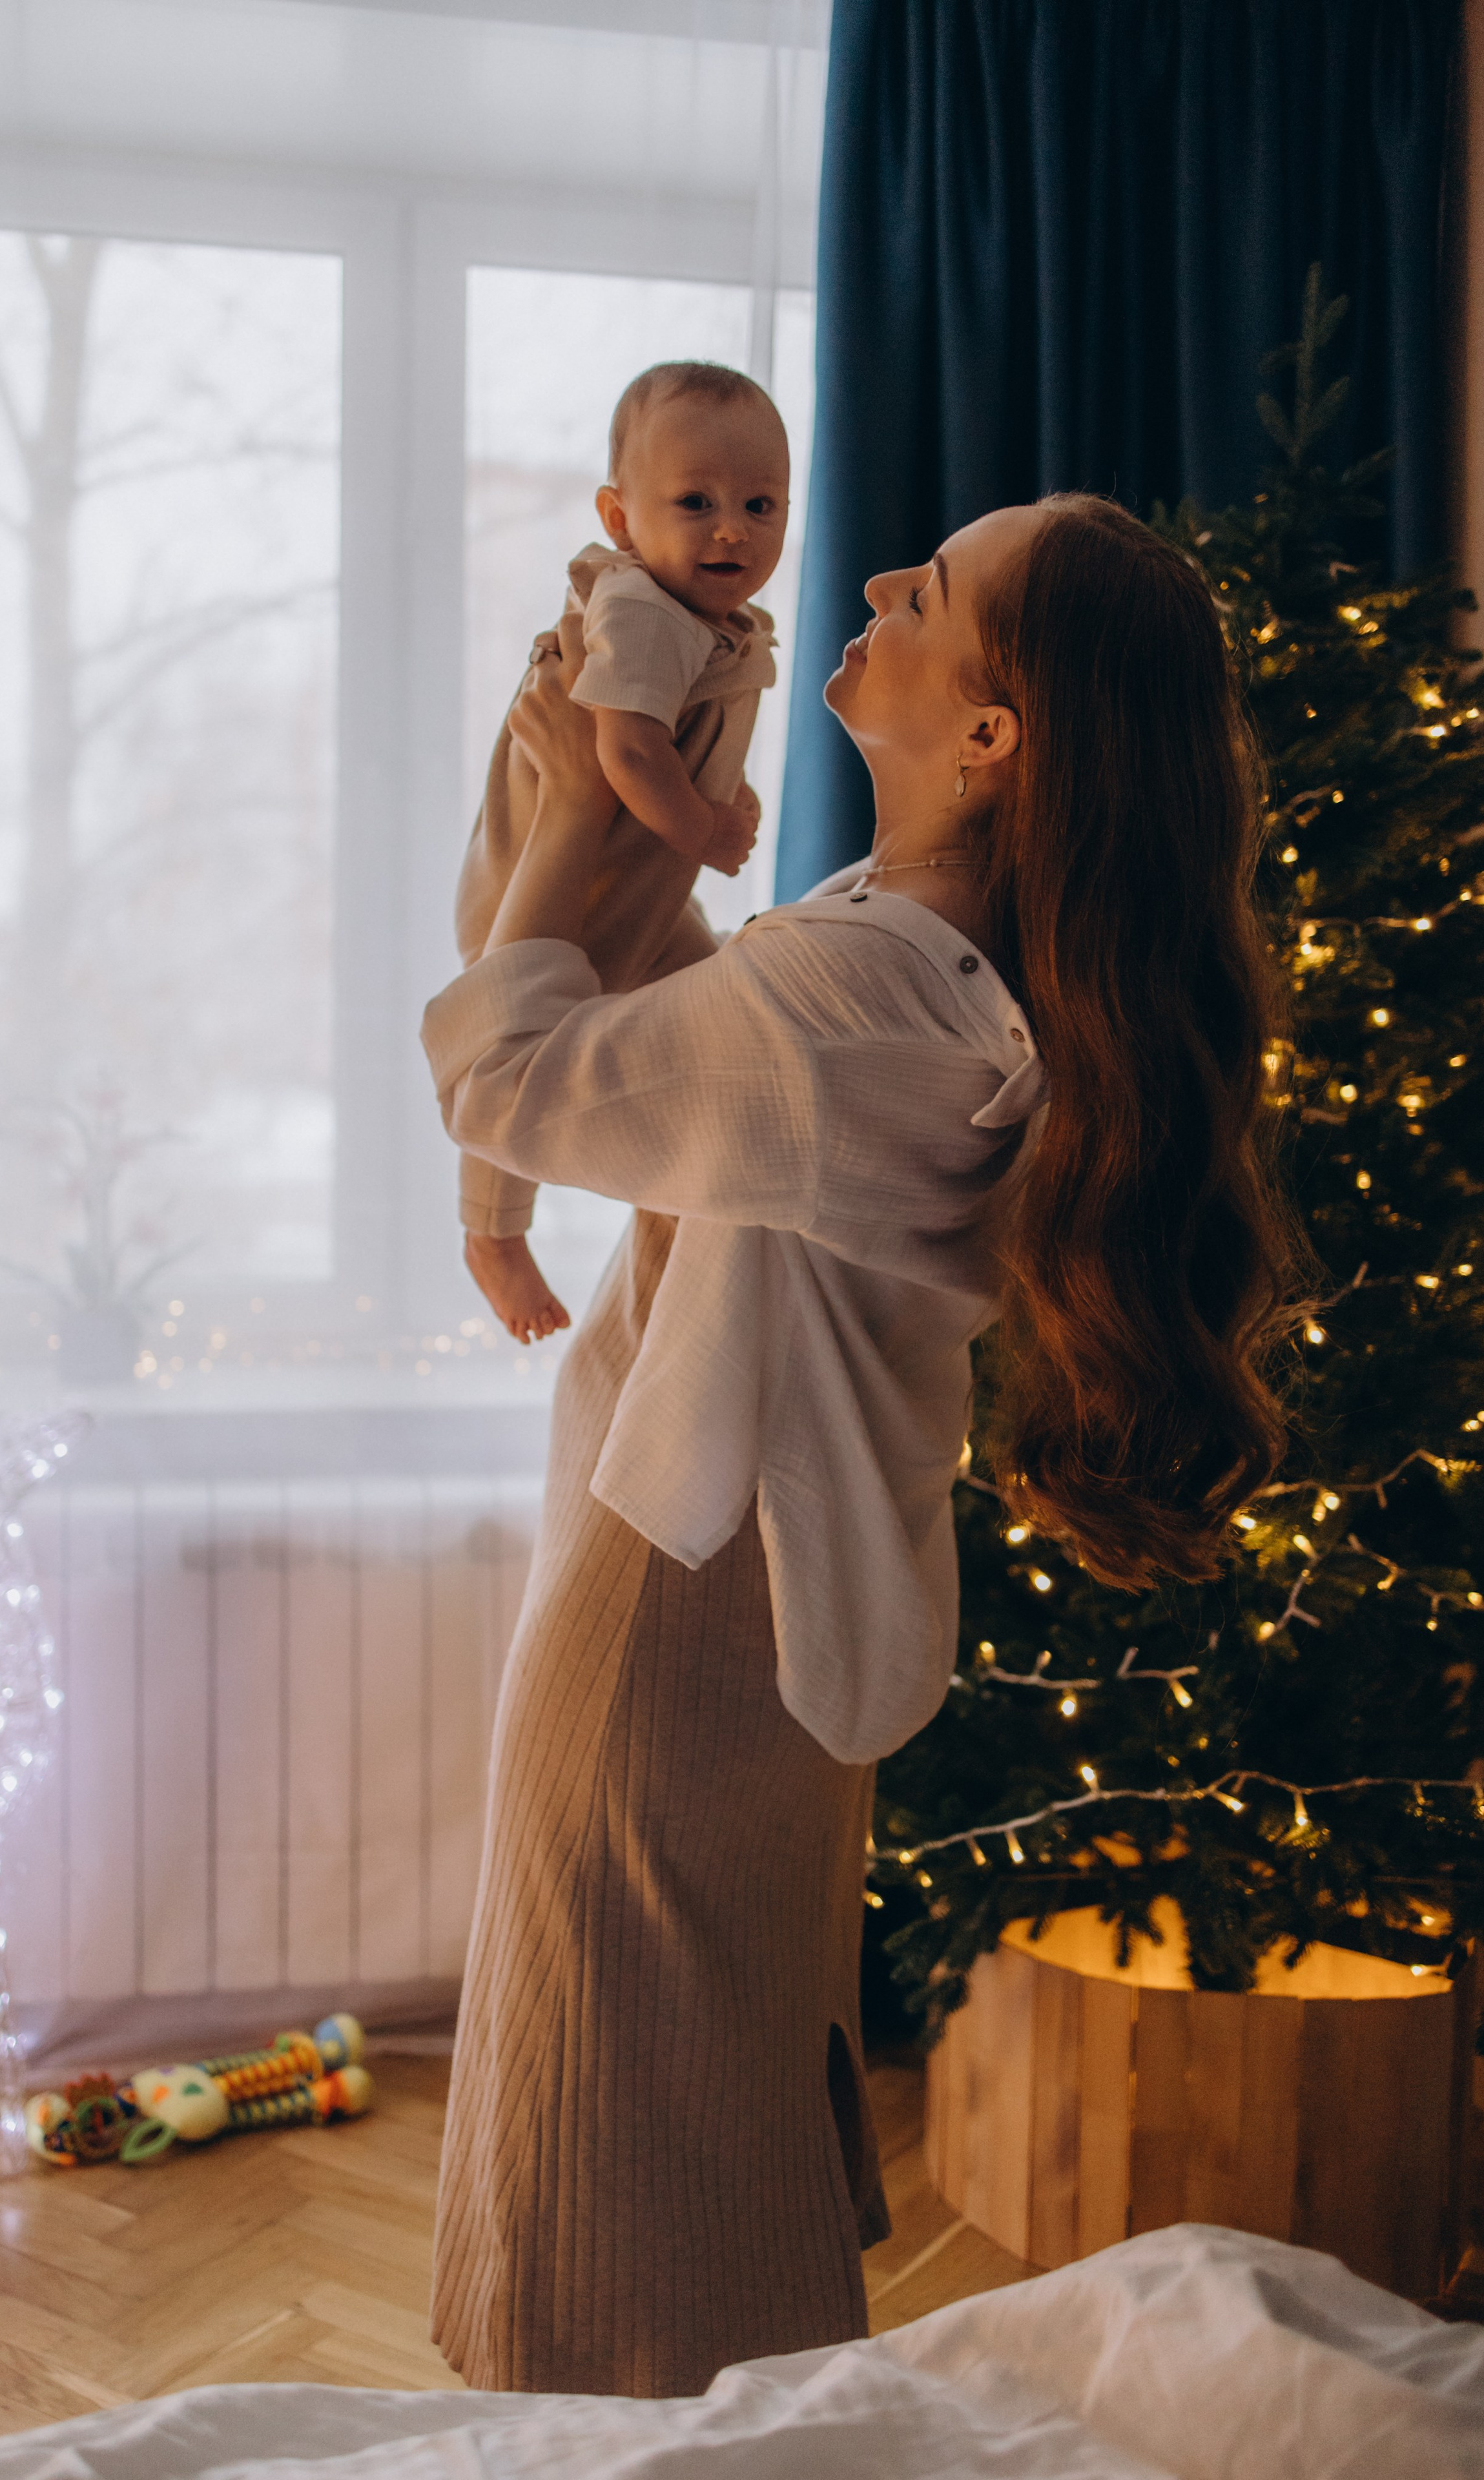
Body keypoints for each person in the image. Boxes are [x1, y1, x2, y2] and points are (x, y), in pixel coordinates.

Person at [420, 493, 1295, 2399]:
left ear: (995, 736)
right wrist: (620, 753)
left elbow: (504, 1076)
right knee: (697, 2147)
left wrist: (588, 785)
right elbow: (658, 1022)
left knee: (611, 2178)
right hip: (768, 1619)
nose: (882, 587)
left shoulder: (856, 1001)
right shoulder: (921, 970)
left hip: (671, 1626)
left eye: (934, 594)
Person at [455, 360, 786, 1350]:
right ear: (621, 514)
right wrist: (713, 830)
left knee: (730, 1002)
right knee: (513, 1059)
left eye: (760, 503)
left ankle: (704, 1196)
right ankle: (492, 1233)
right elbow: (626, 750)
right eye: (696, 502)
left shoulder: (708, 619)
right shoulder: (642, 609)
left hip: (637, 895)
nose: (732, 527)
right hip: (561, 898)